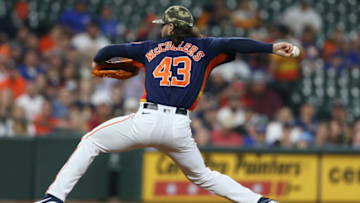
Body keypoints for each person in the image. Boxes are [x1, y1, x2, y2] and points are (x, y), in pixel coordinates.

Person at [36, 5, 297, 203]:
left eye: (164, 24)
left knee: (91, 141)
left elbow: (106, 51)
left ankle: (55, 198)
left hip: (146, 119)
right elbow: (234, 43)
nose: (161, 27)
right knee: (202, 176)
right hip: (179, 127)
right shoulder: (206, 46)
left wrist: (101, 64)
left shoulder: (149, 46)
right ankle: (260, 201)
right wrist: (271, 47)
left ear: (171, 28)